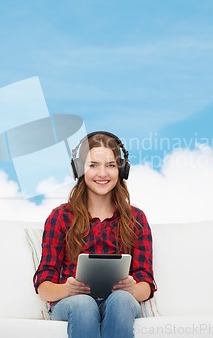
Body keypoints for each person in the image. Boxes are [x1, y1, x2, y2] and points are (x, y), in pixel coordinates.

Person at [33, 131, 156, 338]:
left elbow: (146, 284)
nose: (102, 173)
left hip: (120, 304)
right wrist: (67, 289)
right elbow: (44, 287)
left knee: (122, 299)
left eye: (110, 165)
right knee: (83, 303)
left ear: (122, 170)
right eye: (93, 165)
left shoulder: (136, 218)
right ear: (79, 169)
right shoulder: (60, 217)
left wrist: (132, 289)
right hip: (73, 304)